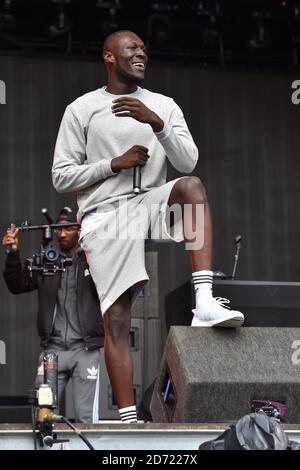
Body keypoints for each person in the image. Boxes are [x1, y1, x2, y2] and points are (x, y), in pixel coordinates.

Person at [52, 30, 244, 423]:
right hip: (106, 214)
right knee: (118, 318)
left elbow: (187, 162)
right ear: (109, 57)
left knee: (191, 187)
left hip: (149, 203)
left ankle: (203, 301)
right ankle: (127, 421)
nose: (141, 53)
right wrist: (113, 164)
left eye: (143, 49)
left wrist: (158, 124)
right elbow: (61, 176)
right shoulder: (82, 109)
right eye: (131, 48)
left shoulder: (163, 105)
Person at [2, 207, 104, 423]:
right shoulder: (48, 258)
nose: (63, 234)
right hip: (52, 350)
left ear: (80, 229)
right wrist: (13, 254)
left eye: (68, 228)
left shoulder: (93, 257)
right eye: (59, 229)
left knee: (87, 420)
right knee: (43, 417)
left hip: (86, 350)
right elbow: (17, 284)